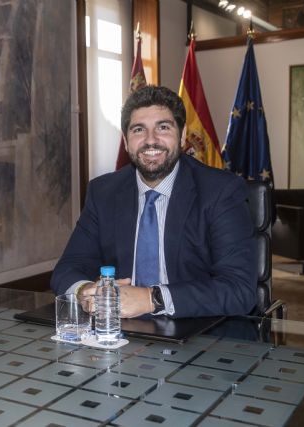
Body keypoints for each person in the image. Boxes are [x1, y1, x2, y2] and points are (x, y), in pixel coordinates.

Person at [51, 85, 256, 318]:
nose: (151, 140)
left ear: (181, 135)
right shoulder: (103, 192)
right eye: (139, 129)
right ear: (126, 141)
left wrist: (152, 298)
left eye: (163, 127)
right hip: (122, 333)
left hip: (198, 329)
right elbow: (67, 268)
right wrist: (84, 291)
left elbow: (239, 289)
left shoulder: (220, 191)